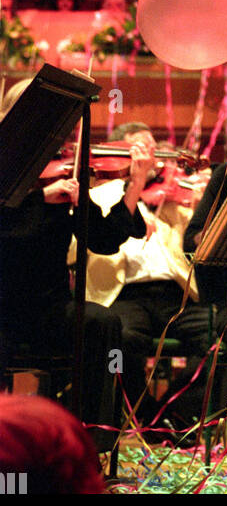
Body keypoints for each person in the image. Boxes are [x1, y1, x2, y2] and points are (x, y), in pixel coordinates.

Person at [0, 82, 153, 446]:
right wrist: (39, 198)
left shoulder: (62, 173)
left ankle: (90, 439)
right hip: (2, 308)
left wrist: (135, 185)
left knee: (102, 322)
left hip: (47, 308)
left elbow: (101, 239)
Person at [83, 121, 213, 423]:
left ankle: (171, 414)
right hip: (126, 294)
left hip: (175, 292)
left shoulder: (173, 199)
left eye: (153, 152)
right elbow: (86, 242)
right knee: (123, 338)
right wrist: (135, 188)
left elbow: (201, 240)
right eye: (140, 151)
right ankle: (145, 414)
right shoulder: (103, 192)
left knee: (217, 337)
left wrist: (204, 201)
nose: (151, 159)